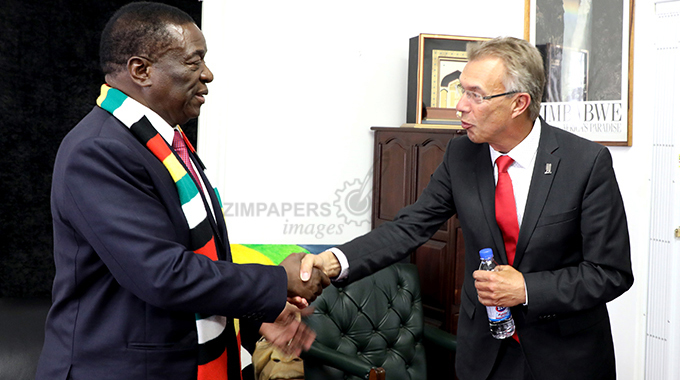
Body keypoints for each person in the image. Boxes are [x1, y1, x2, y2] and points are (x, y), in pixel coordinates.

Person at [301, 36, 633, 380]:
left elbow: (610, 273)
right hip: (485, 355)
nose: (460, 105)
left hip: (564, 357)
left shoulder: (585, 163)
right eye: (461, 91)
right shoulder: (461, 155)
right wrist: (333, 261)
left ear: (519, 103)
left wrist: (528, 289)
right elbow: (409, 227)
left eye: (475, 95)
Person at [36, 3, 329, 380]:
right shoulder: (98, 150)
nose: (208, 74)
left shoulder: (165, 143)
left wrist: (258, 312)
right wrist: (277, 280)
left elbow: (199, 255)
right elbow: (163, 273)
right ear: (141, 70)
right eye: (194, 62)